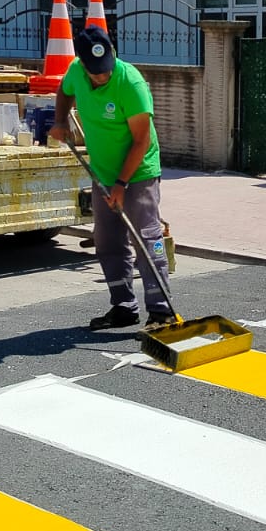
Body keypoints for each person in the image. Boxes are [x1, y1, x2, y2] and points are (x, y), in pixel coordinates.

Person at [50, 25, 173, 332]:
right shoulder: (76, 71)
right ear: (82, 62)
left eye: (105, 69)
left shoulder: (130, 82)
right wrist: (60, 120)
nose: (102, 76)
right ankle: (123, 306)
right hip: (103, 174)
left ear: (112, 54)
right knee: (107, 241)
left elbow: (141, 140)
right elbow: (63, 92)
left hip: (138, 174)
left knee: (148, 240)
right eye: (96, 72)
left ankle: (161, 312)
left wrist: (121, 185)